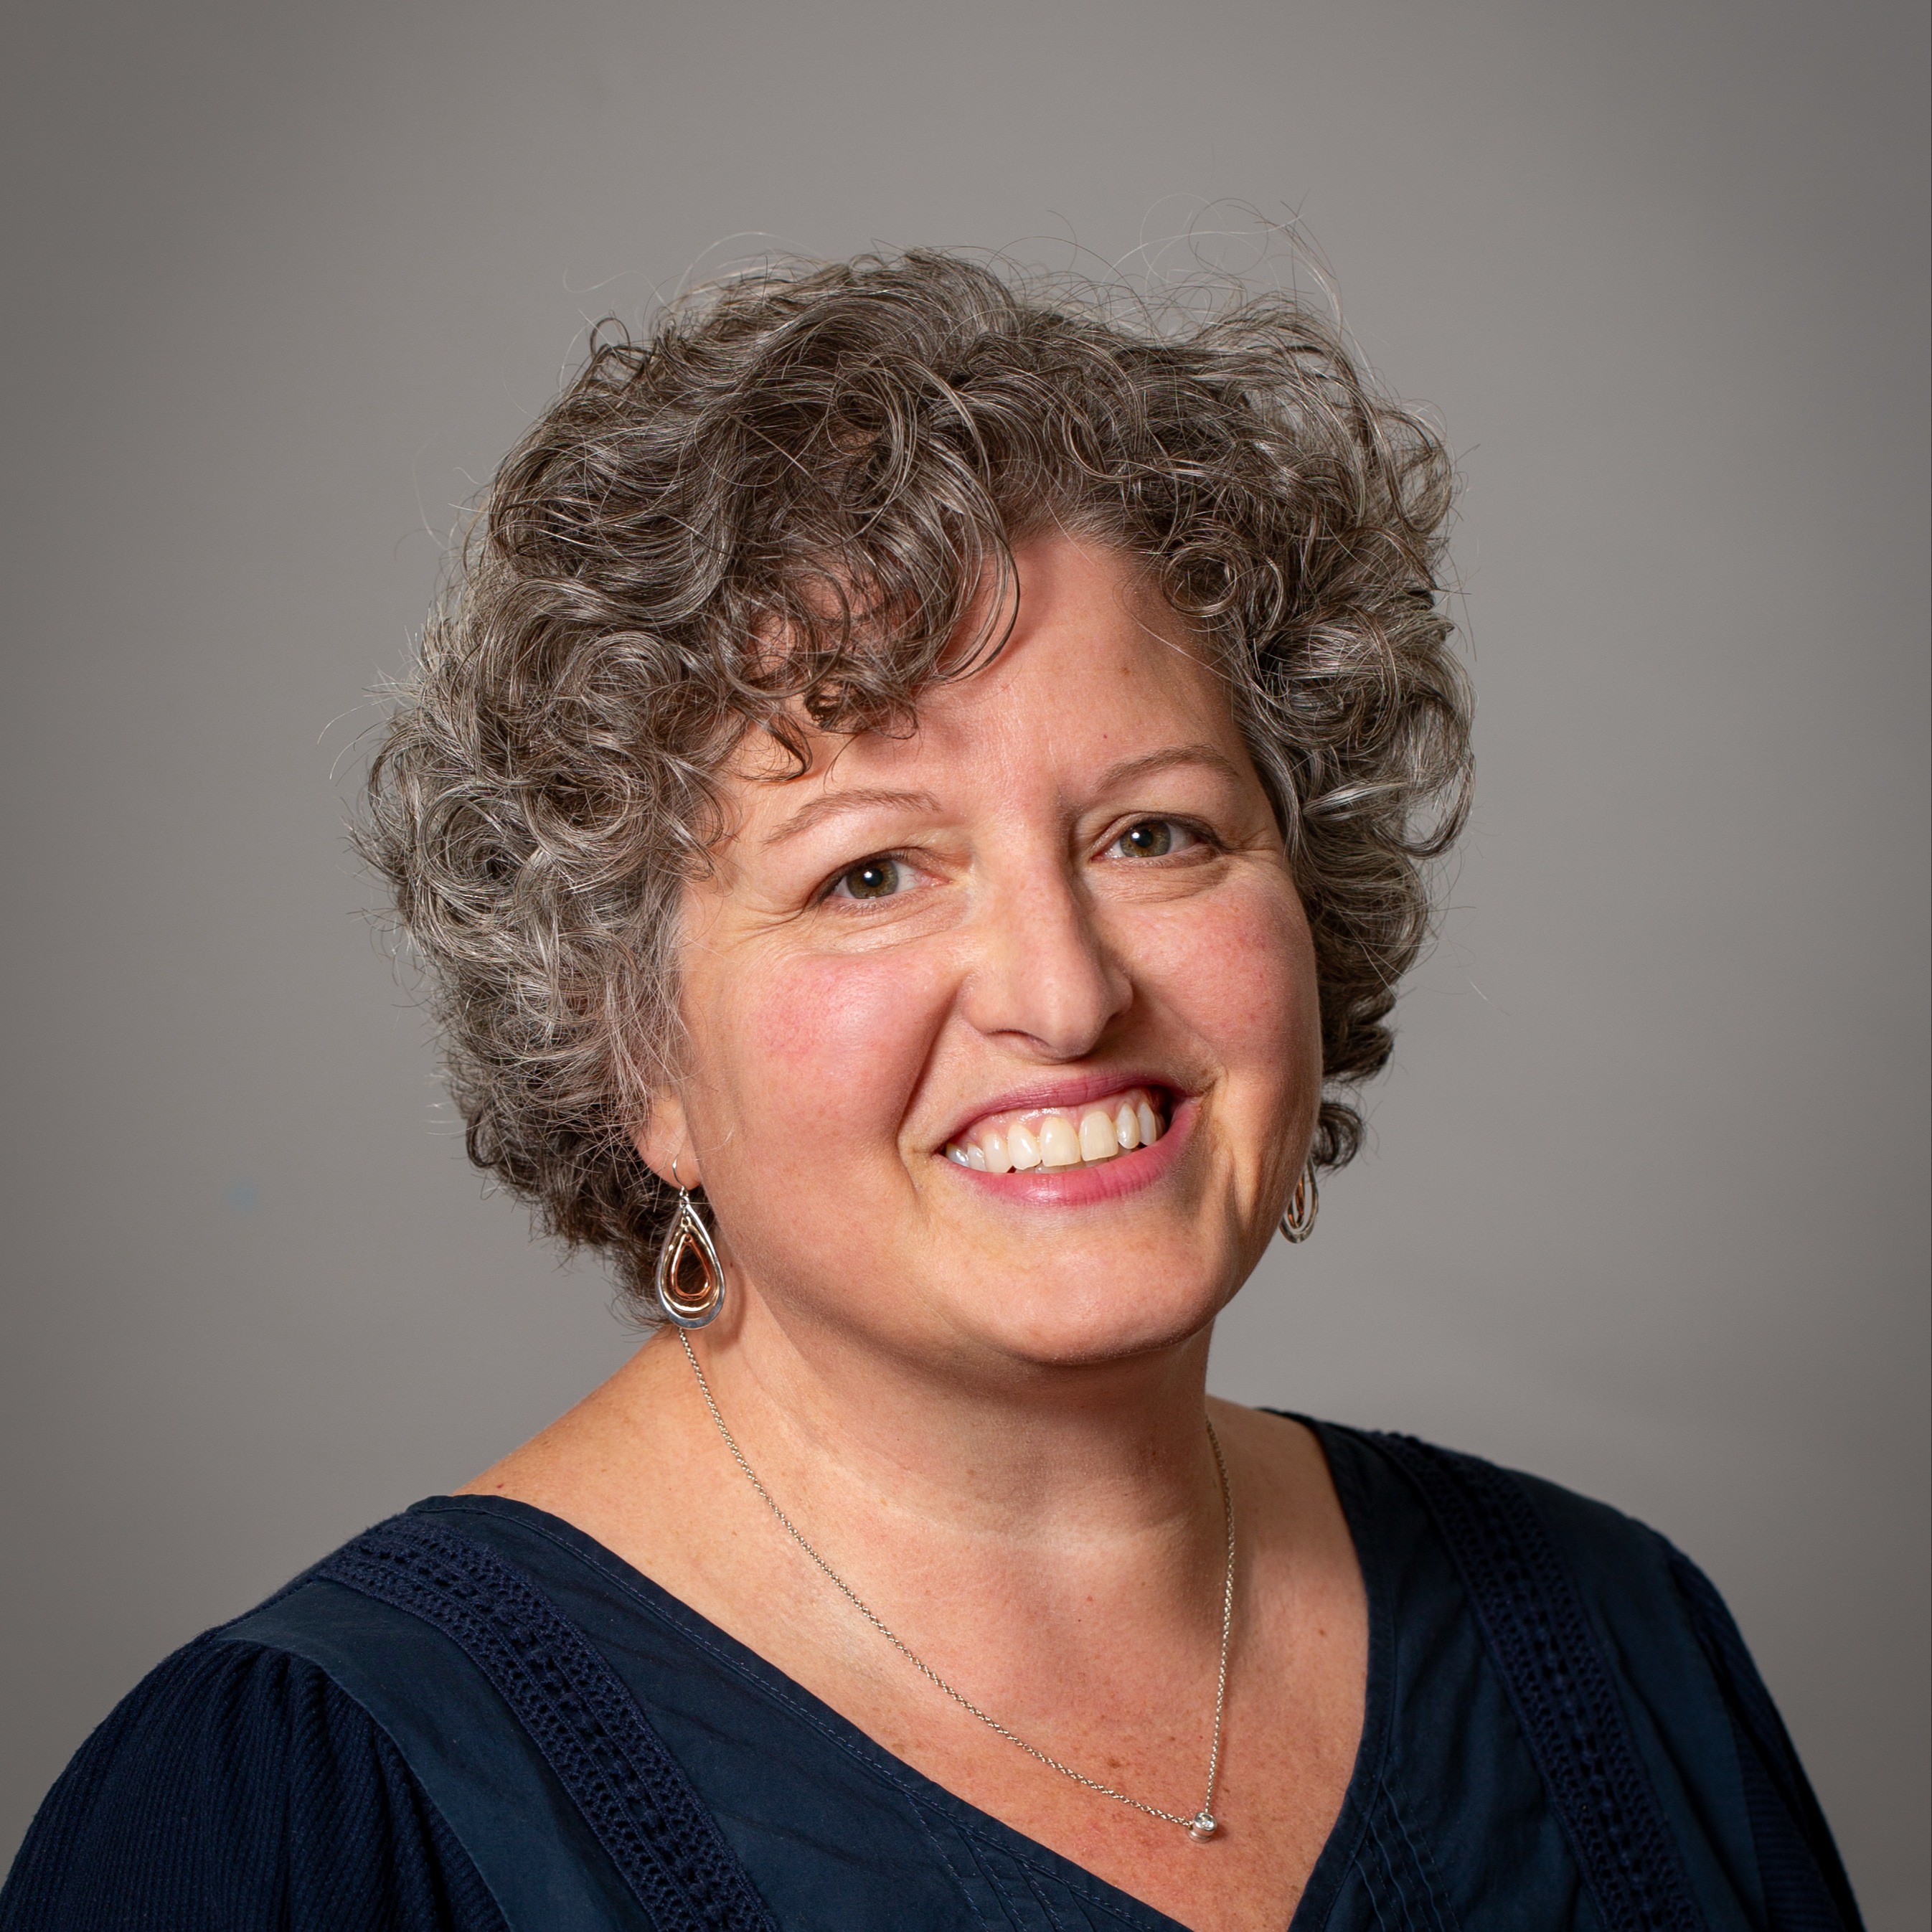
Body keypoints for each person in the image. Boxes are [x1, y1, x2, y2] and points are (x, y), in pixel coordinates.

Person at [1, 252, 1860, 1932]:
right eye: (871, 872)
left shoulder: (1618, 1653)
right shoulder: (300, 1819)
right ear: (637, 1055)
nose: (1064, 991)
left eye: (1157, 832)